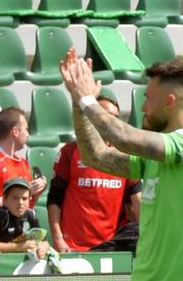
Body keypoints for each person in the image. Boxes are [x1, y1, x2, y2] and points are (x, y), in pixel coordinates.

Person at [49, 96, 134, 252]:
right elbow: (54, 199)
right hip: (73, 248)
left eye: (115, 117)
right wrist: (58, 238)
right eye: (107, 115)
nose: (111, 121)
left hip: (111, 248)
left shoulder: (125, 157)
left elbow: (137, 203)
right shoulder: (70, 152)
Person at [0, 105, 46, 220]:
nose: (28, 134)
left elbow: (26, 208)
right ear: (15, 132)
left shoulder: (22, 162)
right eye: (26, 129)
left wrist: (35, 193)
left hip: (20, 233)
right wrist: (21, 195)